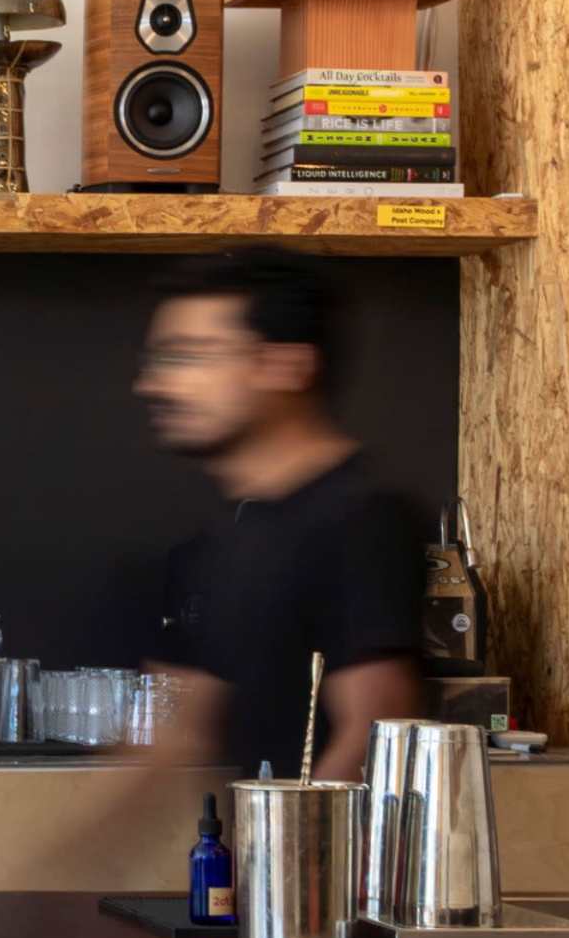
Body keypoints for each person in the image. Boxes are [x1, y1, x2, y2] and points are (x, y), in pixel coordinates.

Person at [136, 248, 425, 781]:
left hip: (313, 861)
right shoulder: (220, 545)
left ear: (286, 366)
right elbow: (176, 738)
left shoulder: (360, 522)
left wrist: (293, 860)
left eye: (189, 356)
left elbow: (376, 737)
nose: (154, 385)